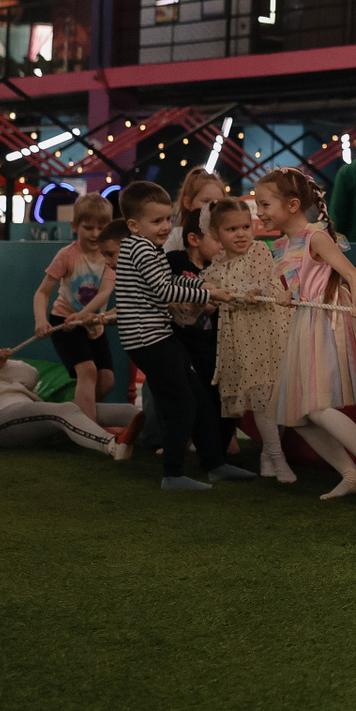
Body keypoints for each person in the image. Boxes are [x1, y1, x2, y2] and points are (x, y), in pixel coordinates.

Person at [257, 167, 356, 504]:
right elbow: (299, 285)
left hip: (326, 322)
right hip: (305, 322)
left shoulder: (315, 238)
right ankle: (351, 475)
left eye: (264, 204)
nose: (259, 212)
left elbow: (353, 275)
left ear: (292, 204)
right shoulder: (284, 244)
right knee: (298, 415)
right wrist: (288, 296)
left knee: (316, 407)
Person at [112, 180, 258, 491]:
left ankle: (214, 463)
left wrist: (204, 286)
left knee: (199, 400)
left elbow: (168, 282)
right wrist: (208, 292)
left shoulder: (144, 248)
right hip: (150, 340)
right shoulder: (142, 249)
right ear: (134, 225)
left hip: (158, 337)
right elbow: (164, 290)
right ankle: (173, 473)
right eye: (157, 221)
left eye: (167, 219)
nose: (165, 226)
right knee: (183, 404)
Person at [200, 198, 297, 482]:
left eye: (245, 227)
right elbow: (207, 298)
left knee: (277, 395)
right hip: (241, 339)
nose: (241, 234)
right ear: (216, 234)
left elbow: (259, 282)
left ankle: (269, 455)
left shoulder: (258, 250)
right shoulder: (215, 268)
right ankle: (276, 457)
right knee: (261, 397)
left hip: (272, 330)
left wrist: (233, 294)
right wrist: (202, 296)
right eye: (232, 229)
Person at [0, 347, 144, 460]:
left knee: (127, 410)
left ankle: (157, 439)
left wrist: (1, 363)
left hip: (28, 413)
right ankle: (112, 445)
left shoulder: (2, 375)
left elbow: (31, 375)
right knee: (65, 410)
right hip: (0, 421)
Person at [30, 193, 118, 423]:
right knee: (87, 370)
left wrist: (86, 316)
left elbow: (105, 292)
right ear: (75, 226)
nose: (95, 234)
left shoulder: (110, 256)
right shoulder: (67, 255)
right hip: (65, 321)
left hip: (93, 323)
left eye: (102, 227)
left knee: (106, 381)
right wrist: (40, 320)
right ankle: (88, 427)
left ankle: (76, 415)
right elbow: (42, 292)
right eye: (88, 227)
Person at [167, 206, 242, 459]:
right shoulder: (175, 261)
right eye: (216, 238)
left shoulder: (222, 268)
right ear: (194, 239)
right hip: (181, 341)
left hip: (213, 344)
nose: (222, 245)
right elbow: (168, 293)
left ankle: (217, 450)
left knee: (218, 397)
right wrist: (205, 299)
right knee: (188, 396)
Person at [165, 168, 227, 253]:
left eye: (218, 202)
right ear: (187, 203)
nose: (213, 207)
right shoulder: (178, 236)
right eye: (206, 201)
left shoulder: (228, 235)